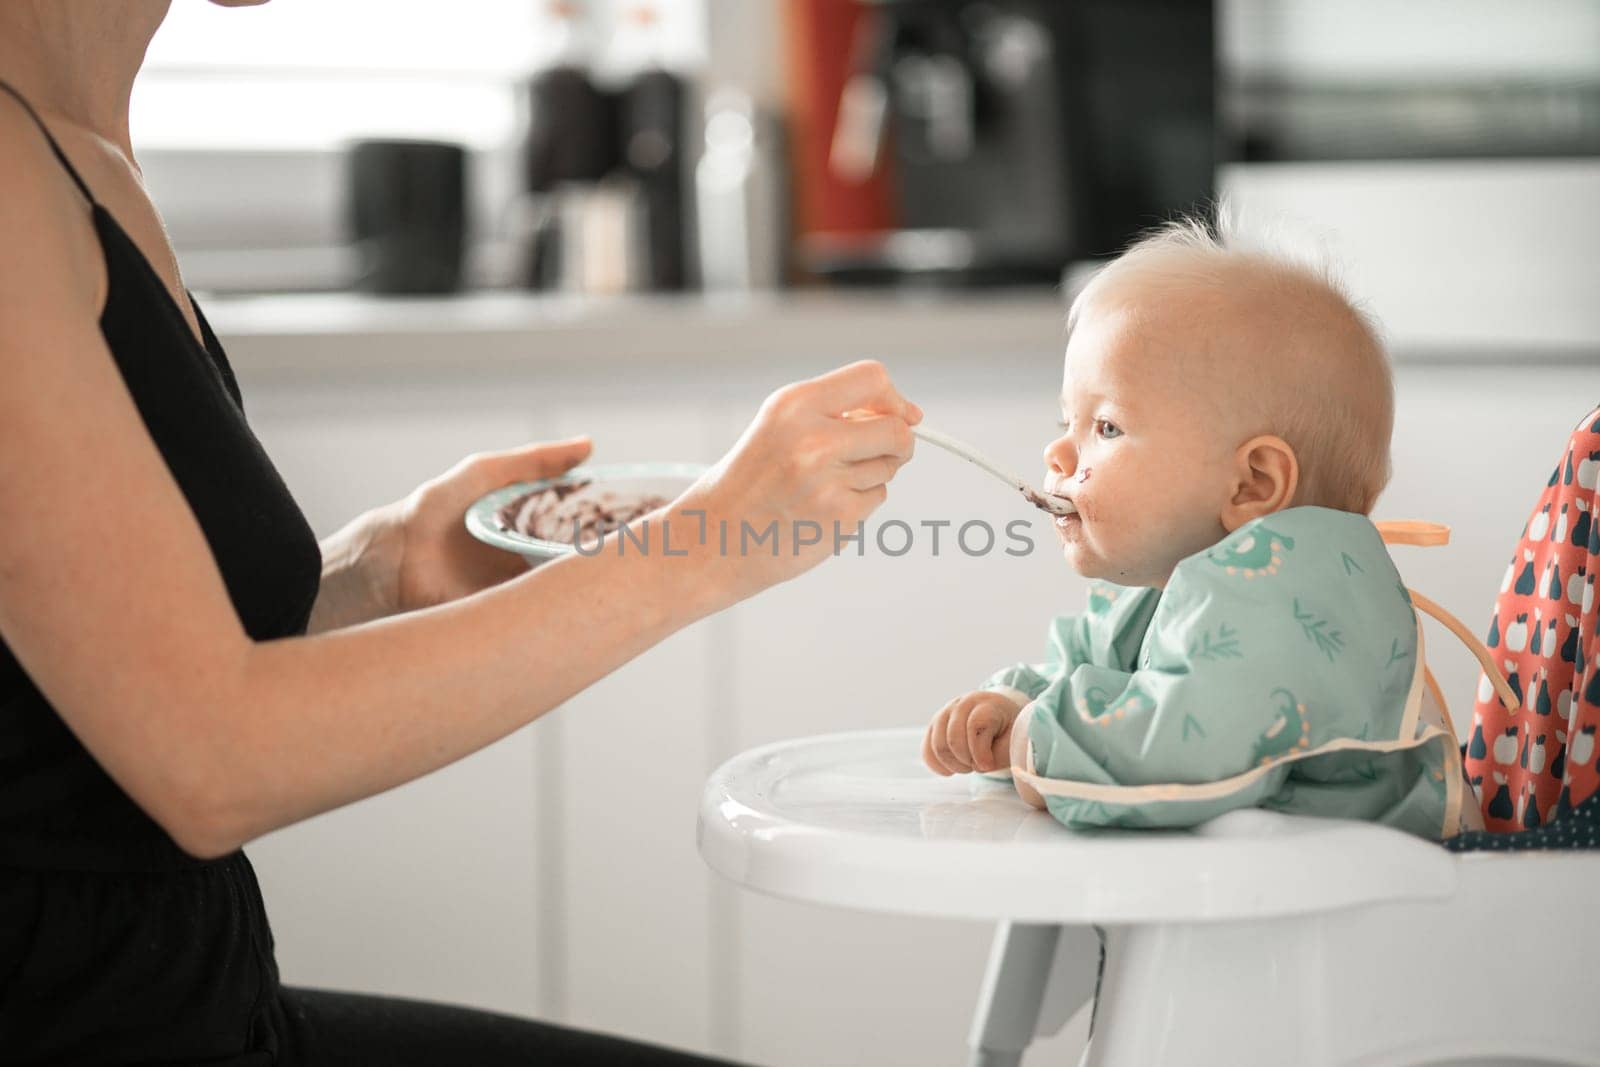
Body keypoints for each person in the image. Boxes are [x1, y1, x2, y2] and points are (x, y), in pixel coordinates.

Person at [0, 2, 921, 1063]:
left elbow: (85, 678)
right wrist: (700, 544)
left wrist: (380, 567)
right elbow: (207, 757)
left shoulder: (77, 140)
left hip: (203, 1002)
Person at [920, 213, 1480, 839]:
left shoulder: (1286, 602)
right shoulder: (1167, 584)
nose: (1059, 455)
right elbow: (1088, 674)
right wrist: (1014, 705)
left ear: (1252, 485)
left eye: (1106, 427)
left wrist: (1034, 738)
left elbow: (1179, 753)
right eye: (1065, 423)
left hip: (1370, 912)